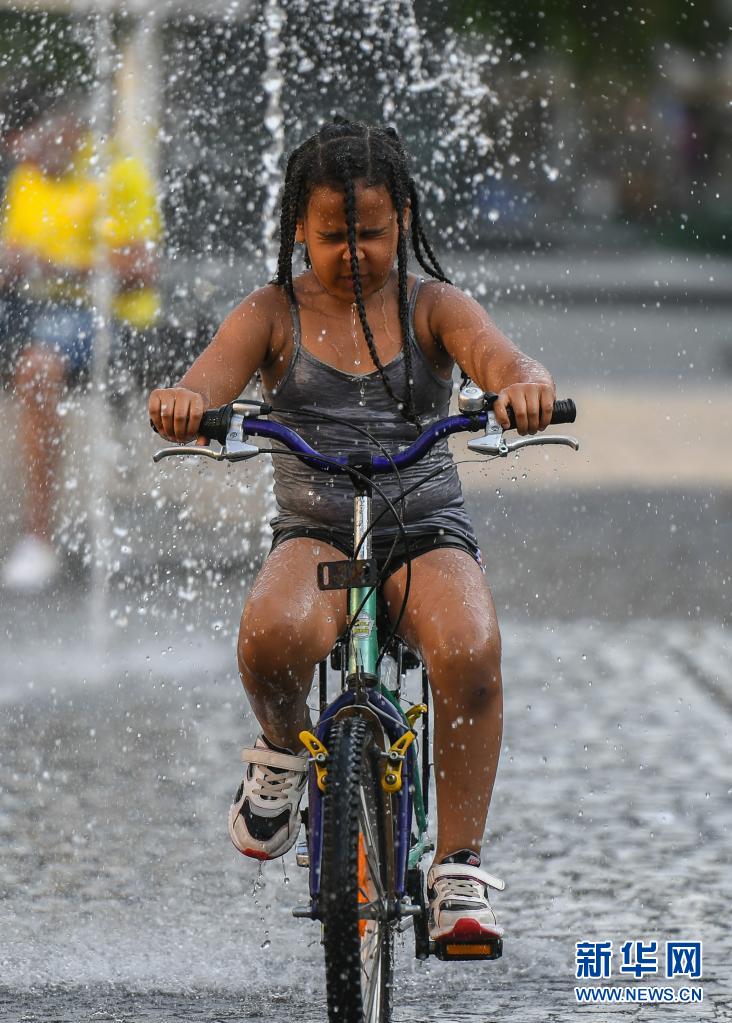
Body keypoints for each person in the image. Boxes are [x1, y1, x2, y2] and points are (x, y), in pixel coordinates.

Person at [148, 120, 555, 944]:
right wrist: (186, 402)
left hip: (423, 528)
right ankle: (280, 750)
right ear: (299, 227)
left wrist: (524, 386)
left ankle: (458, 866)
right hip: (318, 528)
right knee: (270, 634)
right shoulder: (271, 312)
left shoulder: (434, 305)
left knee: (471, 650)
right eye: (333, 236)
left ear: (401, 218)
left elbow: (502, 360)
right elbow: (207, 378)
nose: (353, 253)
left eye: (369, 232)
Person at [0, 75, 161, 592]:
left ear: (64, 127)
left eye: (34, 147)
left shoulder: (115, 169)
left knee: (36, 369)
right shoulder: (27, 178)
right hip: (35, 307)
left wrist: (52, 265)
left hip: (110, 317)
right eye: (17, 152)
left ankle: (39, 540)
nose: (27, 161)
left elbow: (143, 269)